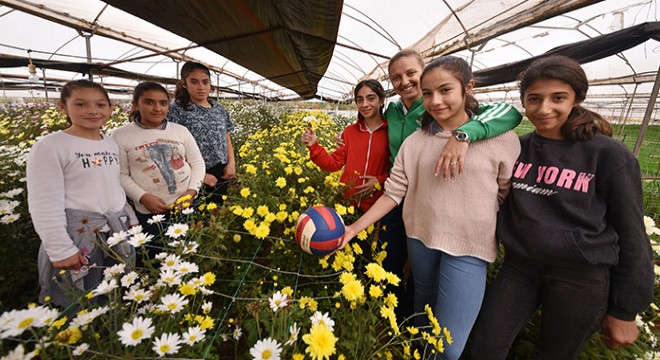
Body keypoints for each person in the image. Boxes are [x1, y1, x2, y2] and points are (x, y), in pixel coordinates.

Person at [467, 55, 654, 359]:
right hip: (520, 267)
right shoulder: (518, 148)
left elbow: (632, 234)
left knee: (554, 354)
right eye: (534, 99)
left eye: (558, 98)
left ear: (577, 98)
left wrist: (625, 309)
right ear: (523, 102)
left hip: (580, 277)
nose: (544, 109)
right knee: (484, 346)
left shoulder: (608, 156)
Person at [340, 56, 521, 360]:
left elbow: (504, 192)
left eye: (445, 91)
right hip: (420, 237)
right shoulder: (415, 141)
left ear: (468, 88)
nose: (435, 101)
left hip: (468, 247)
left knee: (449, 348)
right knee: (421, 306)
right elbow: (393, 192)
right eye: (427, 93)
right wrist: (353, 229)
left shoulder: (502, 139)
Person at [378, 48, 523, 323]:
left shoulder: (483, 125)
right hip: (412, 209)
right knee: (416, 286)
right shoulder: (394, 112)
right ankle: (410, 332)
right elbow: (392, 172)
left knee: (448, 339)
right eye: (396, 77)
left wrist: (464, 134)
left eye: (411, 74)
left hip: (464, 235)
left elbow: (510, 113)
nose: (404, 81)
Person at [27, 79, 136, 308]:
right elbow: (44, 203)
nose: (92, 111)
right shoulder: (51, 146)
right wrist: (61, 248)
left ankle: (110, 333)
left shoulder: (108, 143)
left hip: (113, 230)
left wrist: (130, 218)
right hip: (78, 234)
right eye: (81, 104)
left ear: (110, 108)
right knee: (78, 296)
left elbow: (112, 186)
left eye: (100, 105)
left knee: (114, 289)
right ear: (62, 107)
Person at [112, 82, 205, 248]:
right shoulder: (120, 135)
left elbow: (197, 163)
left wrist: (192, 192)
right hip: (150, 211)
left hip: (186, 205)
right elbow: (121, 175)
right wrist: (143, 197)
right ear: (135, 104)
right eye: (149, 102)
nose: (157, 108)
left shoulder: (180, 131)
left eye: (163, 103)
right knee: (157, 253)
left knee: (190, 249)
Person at [301, 79, 390, 213]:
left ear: (382, 100)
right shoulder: (349, 132)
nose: (365, 104)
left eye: (371, 98)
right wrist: (314, 146)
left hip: (377, 208)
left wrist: (379, 180)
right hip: (346, 205)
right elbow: (333, 164)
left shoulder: (391, 132)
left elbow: (398, 169)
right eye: (360, 100)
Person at [168, 61, 235, 205]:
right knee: (194, 216)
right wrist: (199, 175)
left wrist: (231, 163)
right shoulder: (176, 111)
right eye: (194, 82)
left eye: (205, 82)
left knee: (217, 213)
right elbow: (171, 147)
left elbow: (226, 137)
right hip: (189, 173)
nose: (201, 87)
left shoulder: (220, 110)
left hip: (220, 171)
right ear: (184, 83)